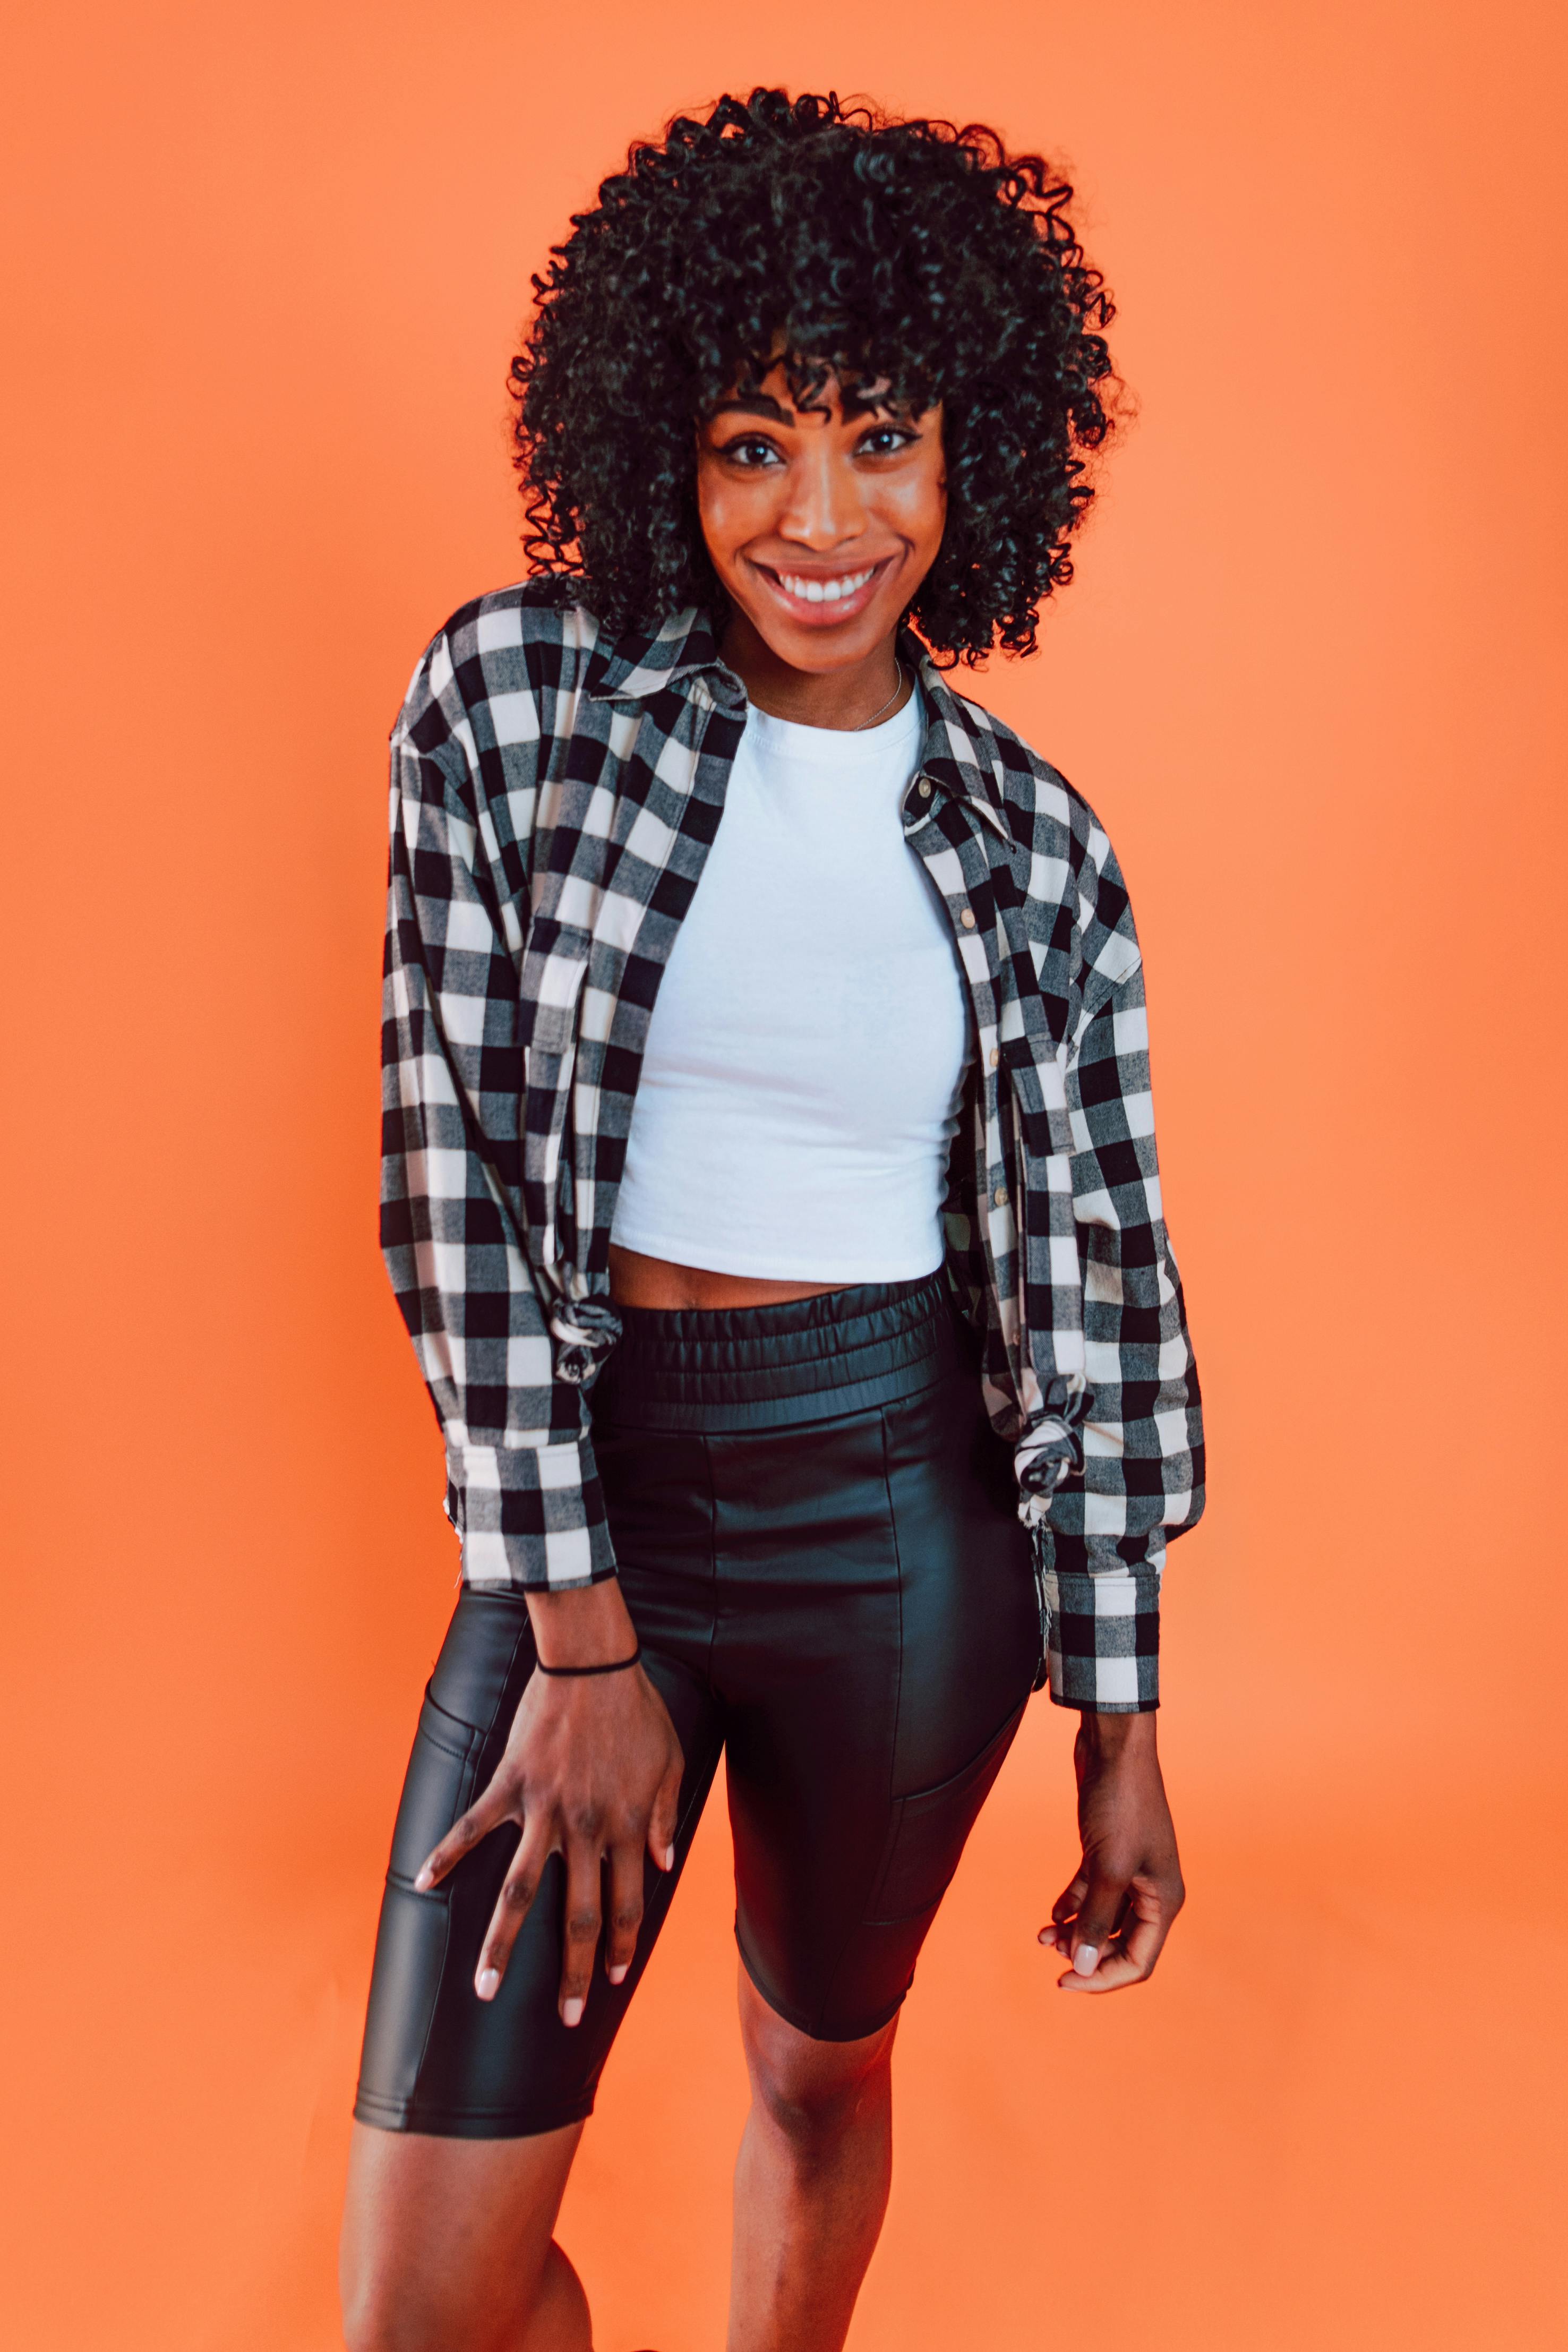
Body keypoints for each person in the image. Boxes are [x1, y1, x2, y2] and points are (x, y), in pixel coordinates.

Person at [339, 86, 1204, 2352]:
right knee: (424, 2311)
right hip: (585, 1514)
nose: (820, 520)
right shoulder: (513, 703)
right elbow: (447, 1192)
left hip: (904, 1521)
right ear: (660, 452)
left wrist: (1117, 1729)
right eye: (751, 445)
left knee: (818, 2079)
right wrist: (583, 1643)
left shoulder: (1040, 852)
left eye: (882, 442)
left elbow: (1094, 1303)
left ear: (973, 459)